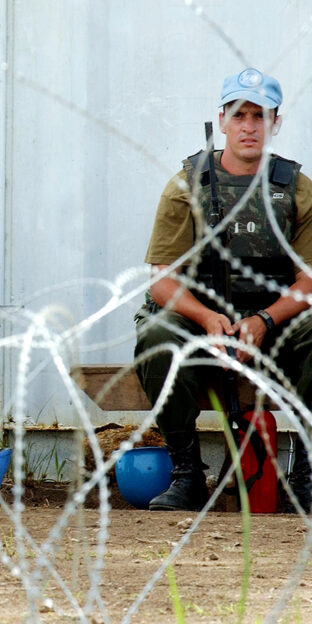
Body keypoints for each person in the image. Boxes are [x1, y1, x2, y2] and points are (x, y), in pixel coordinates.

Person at [134, 68, 312, 512]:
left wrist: (264, 321)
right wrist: (208, 319)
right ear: (223, 119)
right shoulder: (187, 185)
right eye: (239, 115)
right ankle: (187, 474)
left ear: (275, 123)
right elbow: (162, 279)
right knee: (155, 336)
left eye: (259, 115)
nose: (248, 126)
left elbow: (309, 279)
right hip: (198, 315)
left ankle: (306, 476)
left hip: (270, 321)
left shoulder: (297, 190)